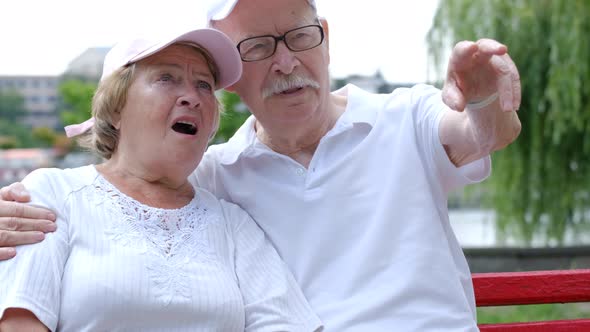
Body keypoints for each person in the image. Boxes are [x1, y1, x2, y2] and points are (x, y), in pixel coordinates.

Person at [0, 0, 522, 330]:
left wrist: (481, 101)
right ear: (237, 79)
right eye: (258, 47)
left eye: (298, 36)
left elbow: (483, 134)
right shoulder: (215, 177)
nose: (286, 61)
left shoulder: (406, 114)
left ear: (324, 36)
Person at [0, 25, 322, 332]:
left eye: (204, 85)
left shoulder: (233, 224)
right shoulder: (54, 194)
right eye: (166, 78)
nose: (192, 97)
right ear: (114, 108)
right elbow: (20, 322)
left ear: (211, 126)